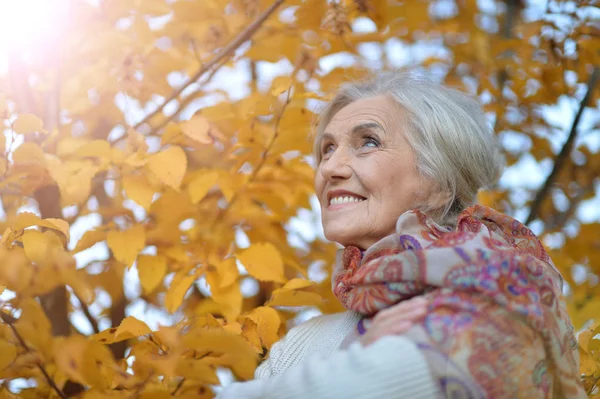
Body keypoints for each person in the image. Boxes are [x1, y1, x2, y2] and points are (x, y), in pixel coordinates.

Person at [217, 72, 586, 398]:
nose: (329, 167)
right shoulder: (302, 342)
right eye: (327, 149)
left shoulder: (502, 287)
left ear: (440, 181)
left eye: (368, 142)